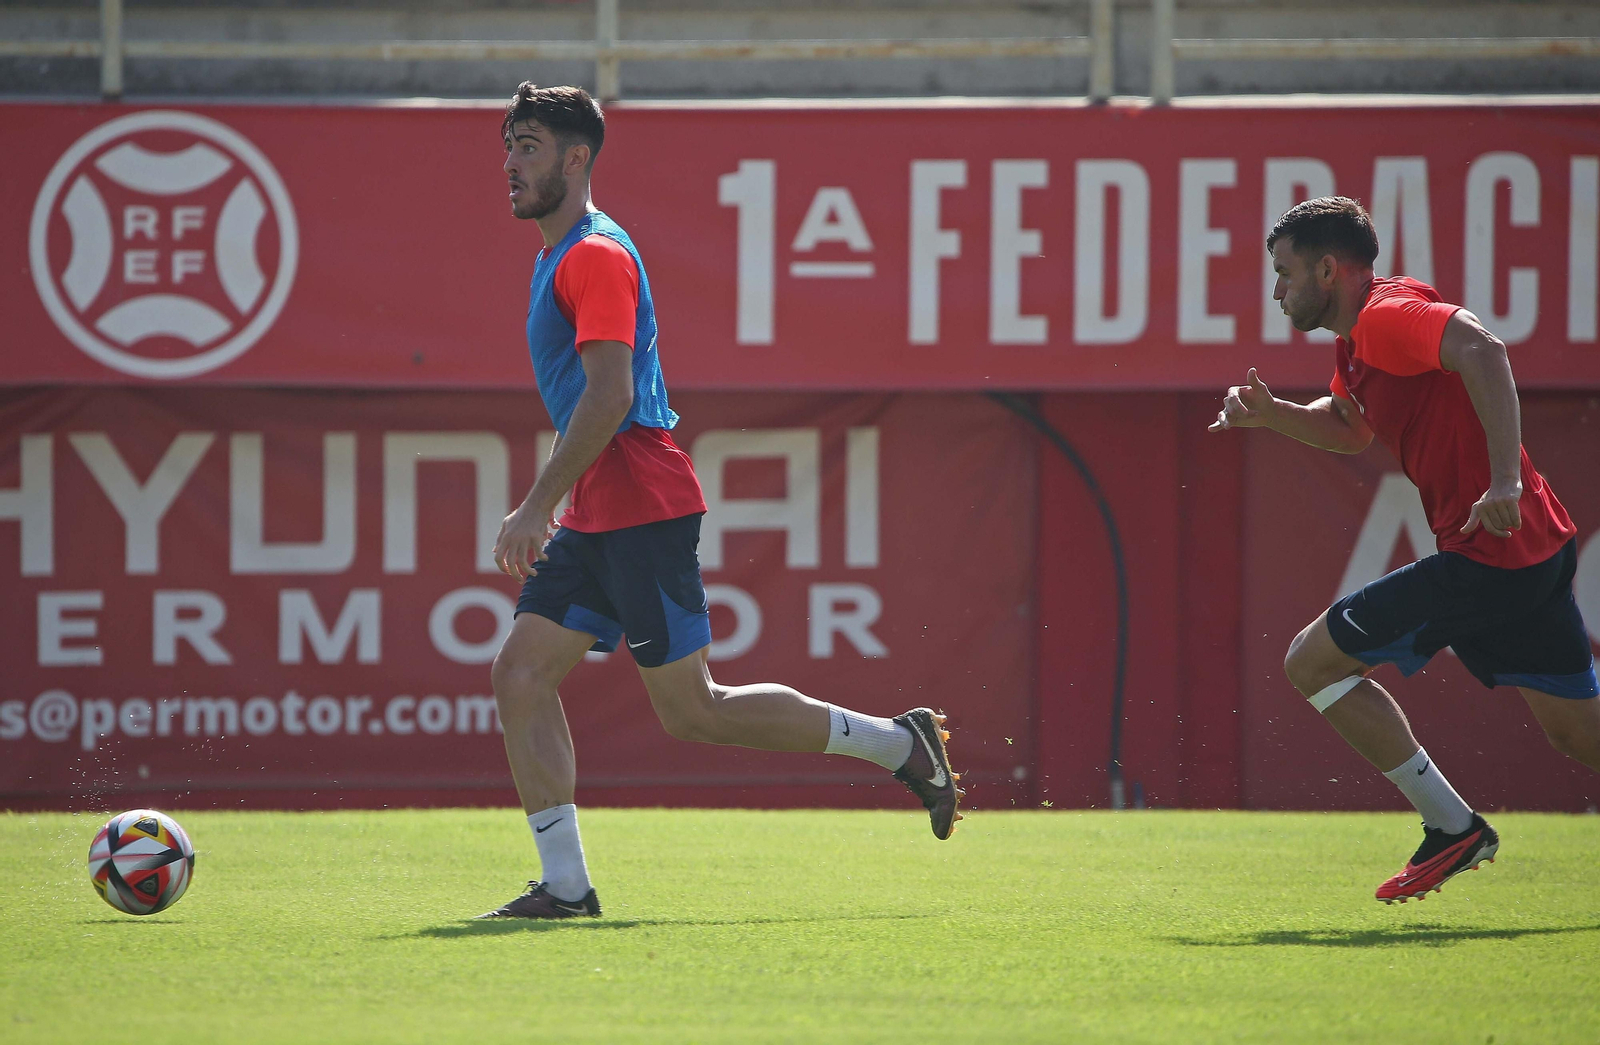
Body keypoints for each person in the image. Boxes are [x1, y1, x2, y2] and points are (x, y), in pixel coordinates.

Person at [477, 83, 962, 920]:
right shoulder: (558, 255)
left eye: (529, 147)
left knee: (696, 711)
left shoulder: (595, 254)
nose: (511, 164)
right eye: (509, 147)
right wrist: (558, 502)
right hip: (599, 506)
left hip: (640, 499)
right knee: (521, 673)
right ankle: (565, 887)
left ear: (576, 158)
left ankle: (897, 743)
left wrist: (533, 506)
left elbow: (609, 396)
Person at [1209, 196, 1599, 904]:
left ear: (1328, 270)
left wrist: (1504, 480)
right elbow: (1350, 426)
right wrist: (1272, 415)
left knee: (1311, 662)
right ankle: (1454, 828)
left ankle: (1452, 827)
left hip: (1489, 559)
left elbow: (1484, 349)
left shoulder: (1385, 318)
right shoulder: (1359, 337)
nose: (1276, 290)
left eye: (1284, 273)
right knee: (1579, 735)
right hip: (1532, 553)